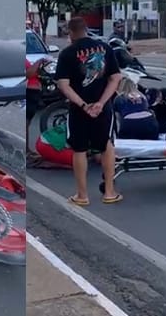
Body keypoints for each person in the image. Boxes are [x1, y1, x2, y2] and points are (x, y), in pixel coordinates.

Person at [55, 17, 123, 206]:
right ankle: (109, 192)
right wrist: (101, 103)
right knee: (107, 146)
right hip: (103, 109)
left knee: (79, 149)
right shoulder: (105, 48)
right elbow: (115, 77)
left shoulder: (67, 53)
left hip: (79, 110)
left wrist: (83, 105)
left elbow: (63, 85)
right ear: (86, 30)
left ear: (70, 32)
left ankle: (82, 195)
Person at [26, 57, 48, 165]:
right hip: (28, 91)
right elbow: (28, 74)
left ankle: (27, 151)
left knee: (28, 123)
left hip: (33, 92)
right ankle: (26, 152)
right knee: (26, 123)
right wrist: (38, 62)